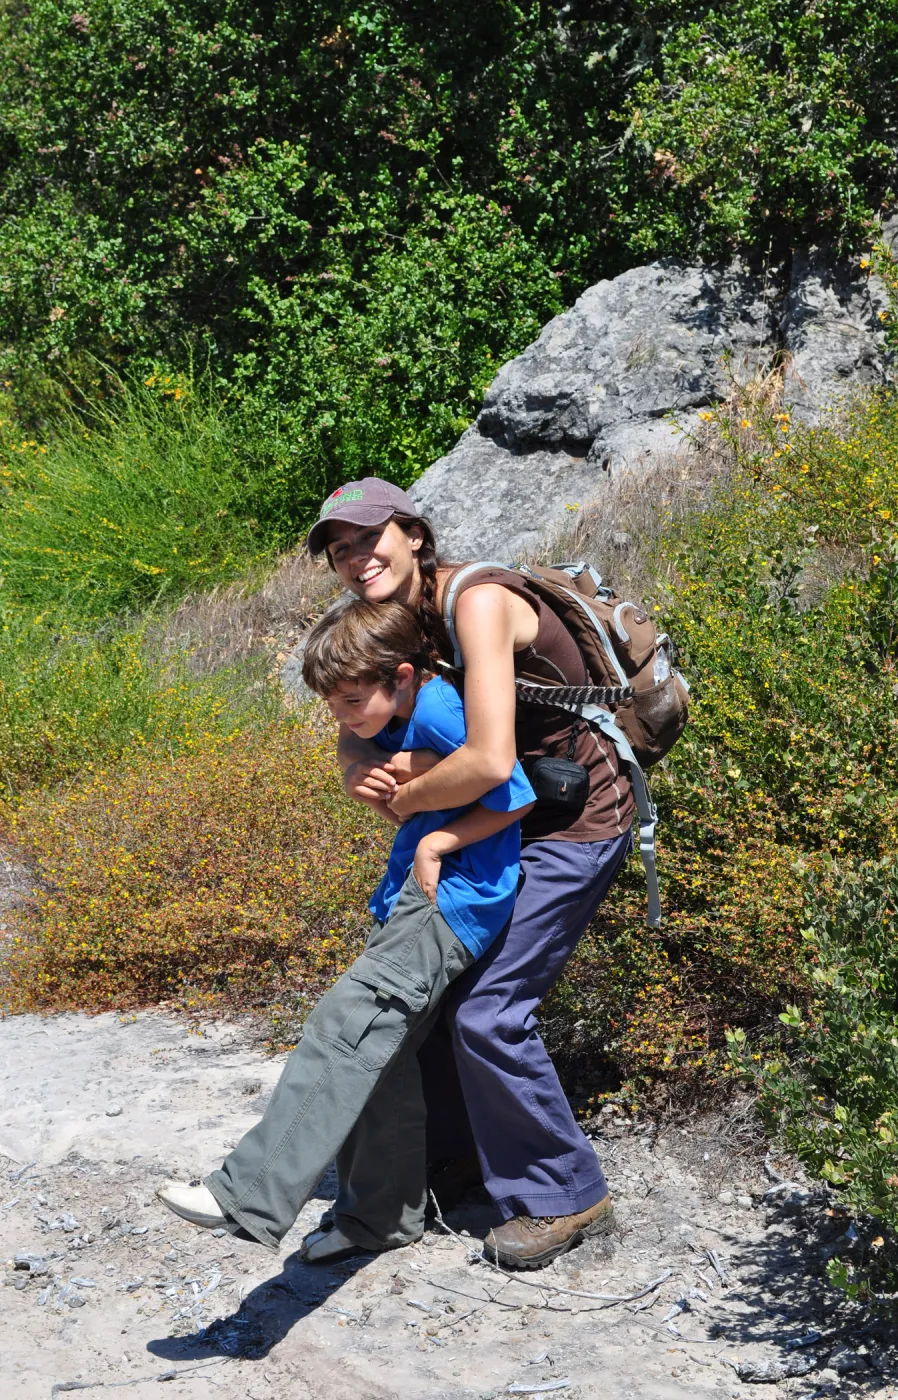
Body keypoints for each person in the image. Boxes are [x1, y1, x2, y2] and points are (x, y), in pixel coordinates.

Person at [303, 476, 633, 1270]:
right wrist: (355, 770)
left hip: (574, 816)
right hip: (499, 816)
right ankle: (454, 1163)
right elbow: (356, 716)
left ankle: (566, 1193)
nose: (356, 558)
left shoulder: (475, 603)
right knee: (436, 988)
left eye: (368, 537)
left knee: (489, 1009)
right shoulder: (392, 621)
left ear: (413, 534)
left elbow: (487, 762)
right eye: (340, 549)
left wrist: (410, 797)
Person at [156, 597, 535, 1250]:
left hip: (452, 895)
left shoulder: (438, 708)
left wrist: (436, 841)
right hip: (413, 896)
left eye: (354, 700)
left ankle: (245, 1192)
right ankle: (378, 1221)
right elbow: (377, 764)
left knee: (346, 1026)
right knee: (382, 1057)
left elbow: (515, 794)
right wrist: (371, 770)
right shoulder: (395, 714)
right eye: (332, 705)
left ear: (404, 676)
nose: (344, 716)